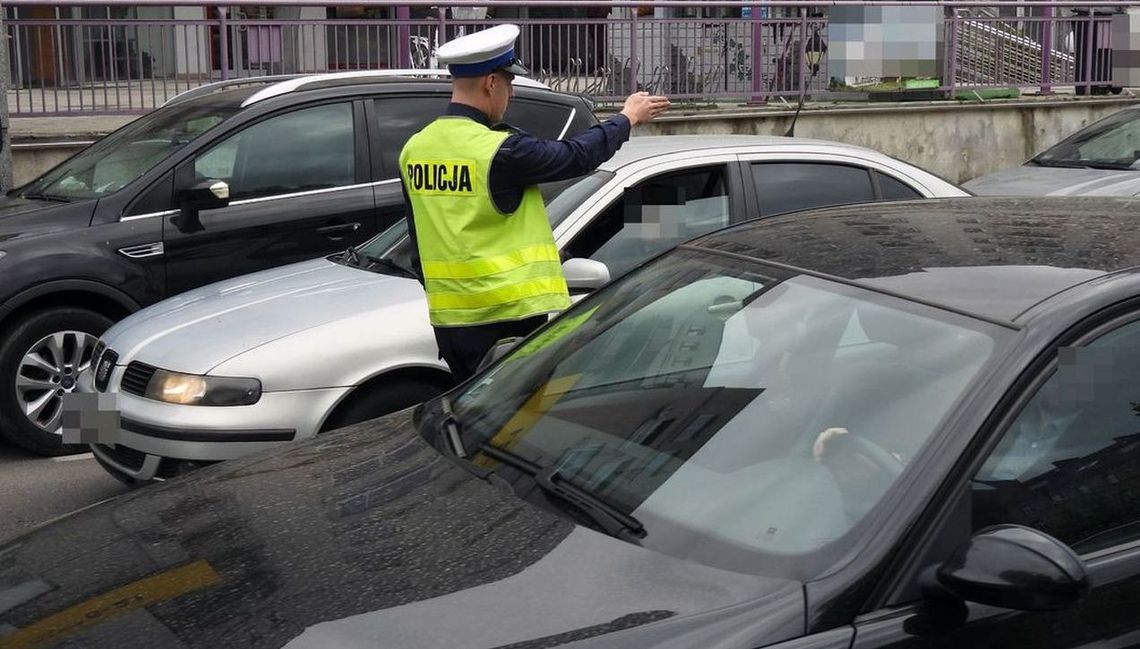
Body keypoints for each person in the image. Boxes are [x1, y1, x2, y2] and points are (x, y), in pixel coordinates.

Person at [399, 23, 670, 382]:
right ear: (491, 83)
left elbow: (418, 241)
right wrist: (627, 118)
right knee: (513, 428)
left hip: (451, 325)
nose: (510, 95)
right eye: (509, 85)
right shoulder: (500, 150)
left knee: (470, 419)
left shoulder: (414, 149)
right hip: (508, 321)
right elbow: (575, 156)